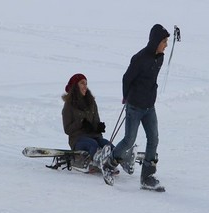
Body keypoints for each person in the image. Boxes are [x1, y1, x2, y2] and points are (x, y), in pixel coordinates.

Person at [103, 24, 170, 191]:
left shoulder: (159, 57)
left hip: (149, 106)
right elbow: (126, 79)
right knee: (129, 140)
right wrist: (127, 97)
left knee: (153, 138)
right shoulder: (139, 58)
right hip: (135, 106)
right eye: (164, 41)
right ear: (155, 42)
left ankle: (147, 177)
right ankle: (109, 164)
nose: (166, 45)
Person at [62, 73, 113, 169]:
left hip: (94, 136)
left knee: (108, 145)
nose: (85, 86)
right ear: (75, 86)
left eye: (86, 83)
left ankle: (113, 163)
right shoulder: (69, 105)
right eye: (82, 83)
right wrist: (81, 122)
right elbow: (67, 129)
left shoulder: (91, 102)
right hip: (78, 139)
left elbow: (96, 120)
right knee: (93, 145)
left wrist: (98, 127)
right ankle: (100, 164)